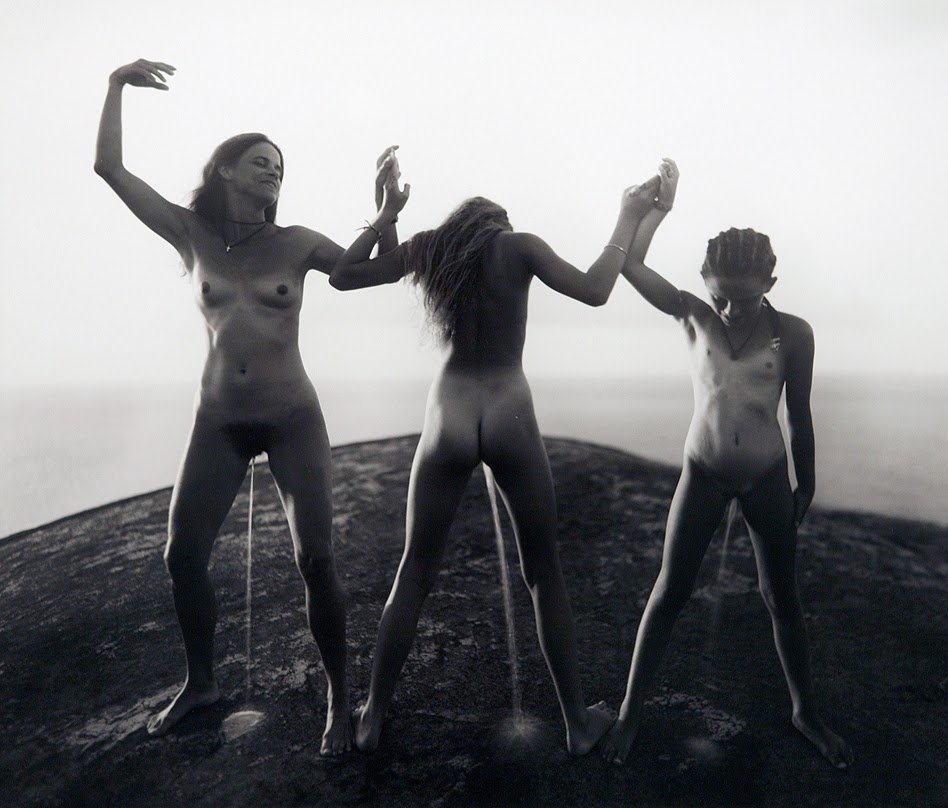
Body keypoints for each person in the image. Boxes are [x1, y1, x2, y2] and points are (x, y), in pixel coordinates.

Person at [94, 58, 404, 755]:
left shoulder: (297, 243)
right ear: (226, 170)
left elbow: (371, 273)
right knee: (182, 555)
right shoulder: (190, 233)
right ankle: (200, 683)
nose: (274, 172)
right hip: (219, 421)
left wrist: (385, 216)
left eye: (280, 168)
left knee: (315, 559)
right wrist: (115, 85)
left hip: (291, 416)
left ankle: (339, 696)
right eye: (261, 162)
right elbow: (109, 169)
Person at [333, 166, 660, 754]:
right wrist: (629, 215)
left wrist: (386, 215)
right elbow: (596, 289)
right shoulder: (519, 246)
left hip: (450, 411)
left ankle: (372, 715)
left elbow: (343, 276)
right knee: (542, 571)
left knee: (415, 569)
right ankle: (576, 723)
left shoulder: (431, 249)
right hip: (508, 407)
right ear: (495, 223)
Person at [599, 159, 854, 768]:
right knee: (670, 590)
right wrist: (657, 211)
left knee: (781, 596)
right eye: (722, 297)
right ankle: (630, 712)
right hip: (704, 471)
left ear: (771, 282)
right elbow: (631, 266)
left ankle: (805, 711)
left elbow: (800, 413)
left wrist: (806, 483)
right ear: (705, 281)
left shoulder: (795, 334)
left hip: (767, 474)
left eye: (746, 299)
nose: (732, 311)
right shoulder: (693, 314)